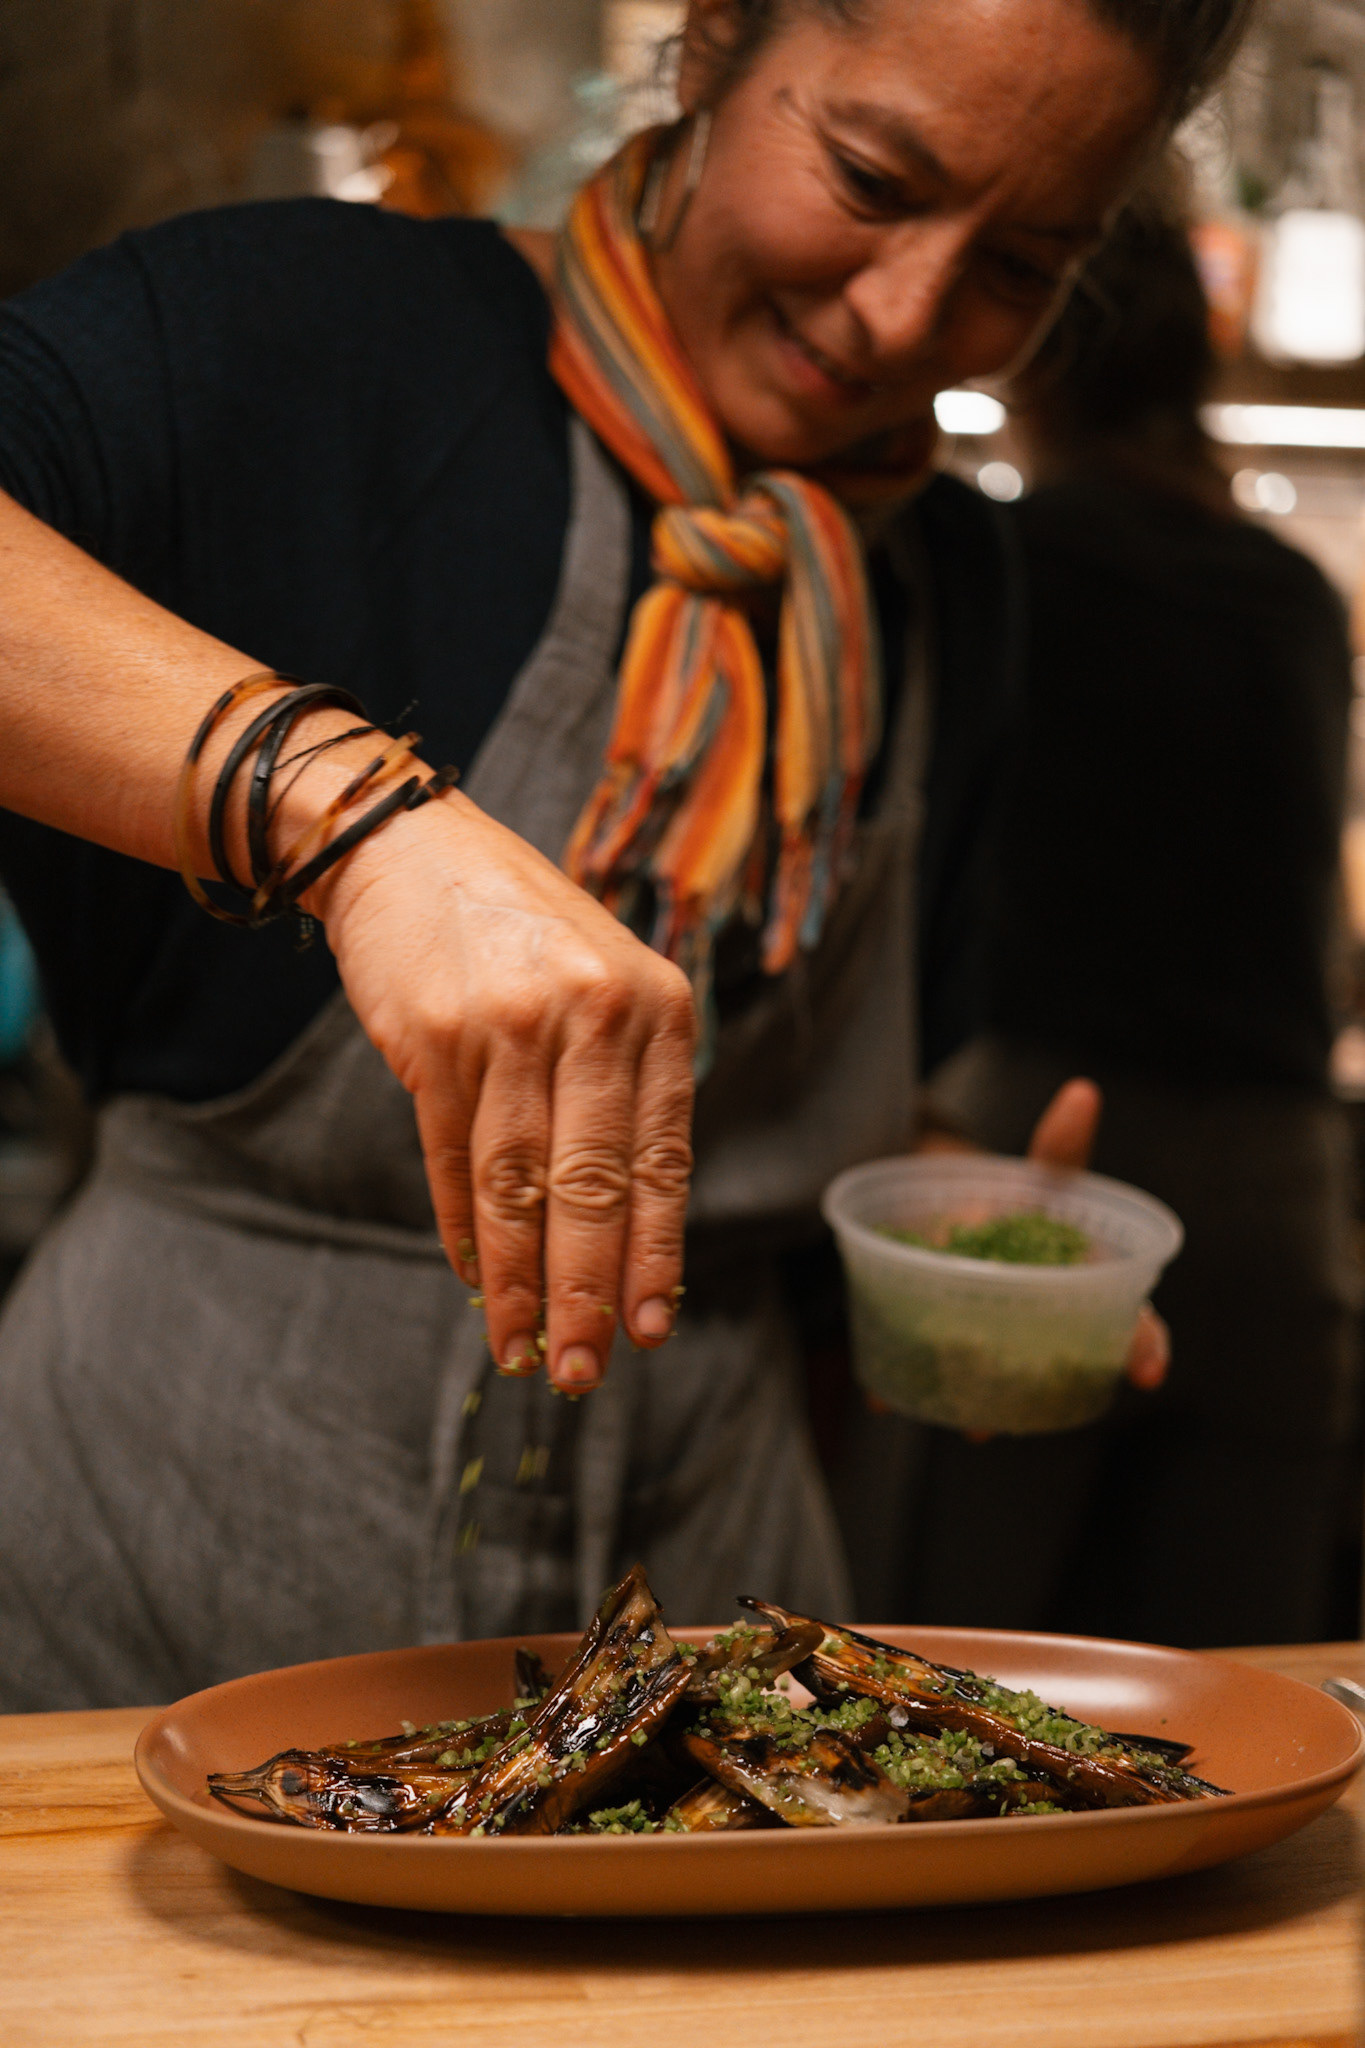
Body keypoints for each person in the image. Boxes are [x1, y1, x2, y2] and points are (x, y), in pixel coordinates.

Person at [0, 0, 1248, 1710]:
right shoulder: (303, 335)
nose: (903, 317)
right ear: (712, 42)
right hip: (161, 1554)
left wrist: (948, 1215)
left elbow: (804, 1096)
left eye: (1022, 265)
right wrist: (359, 828)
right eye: (871, 179)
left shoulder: (946, 582)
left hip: (706, 1599)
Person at [845, 199, 1357, 1647]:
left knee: (959, 1641)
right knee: (1250, 1665)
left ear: (1040, 360)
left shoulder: (992, 559)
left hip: (1040, 1146)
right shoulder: (1293, 595)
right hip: (1279, 1181)